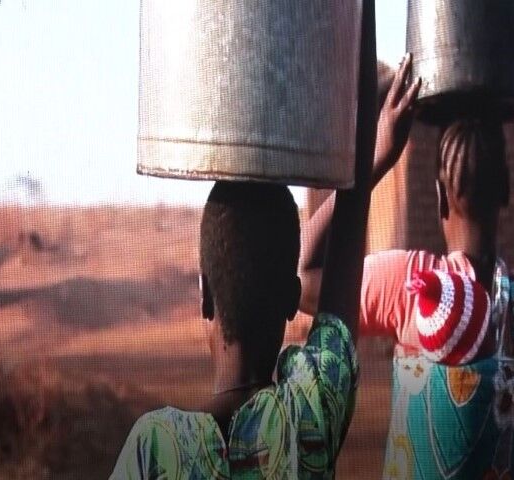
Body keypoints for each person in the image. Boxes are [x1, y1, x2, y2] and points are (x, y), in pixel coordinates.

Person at [110, 4, 417, 477]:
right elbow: (349, 230)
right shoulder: (310, 417)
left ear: (204, 295)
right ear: (293, 300)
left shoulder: (155, 450)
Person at [299, 27, 514, 479]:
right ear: (507, 192)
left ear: (440, 198)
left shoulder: (409, 288)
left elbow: (304, 277)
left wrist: (375, 160)